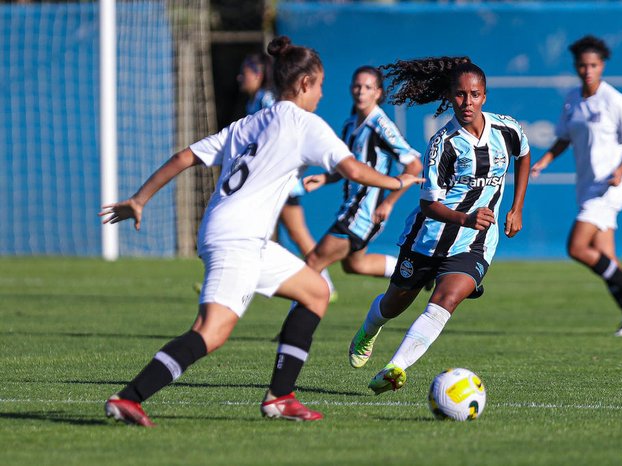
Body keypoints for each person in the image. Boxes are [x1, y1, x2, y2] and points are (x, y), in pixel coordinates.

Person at [99, 35, 423, 426]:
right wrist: (399, 183)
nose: (322, 94)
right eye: (319, 85)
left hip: (239, 234)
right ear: (304, 83)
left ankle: (280, 397)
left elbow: (185, 156)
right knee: (212, 332)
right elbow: (354, 169)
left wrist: (140, 198)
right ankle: (129, 398)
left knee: (316, 291)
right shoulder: (306, 124)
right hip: (237, 238)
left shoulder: (249, 122)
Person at [347, 57, 531, 394]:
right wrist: (465, 217)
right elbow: (428, 204)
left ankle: (394, 368)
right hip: (427, 240)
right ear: (450, 97)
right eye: (460, 95)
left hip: (474, 243)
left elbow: (523, 153)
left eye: (474, 95)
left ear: (485, 96)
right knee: (394, 303)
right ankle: (369, 329)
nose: (467, 102)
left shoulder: (507, 129)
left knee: (446, 299)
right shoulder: (443, 143)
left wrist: (516, 208)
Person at [530, 35, 622, 337]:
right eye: (582, 65)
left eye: (593, 65)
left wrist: (621, 170)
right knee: (606, 257)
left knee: (577, 247)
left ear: (602, 66)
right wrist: (544, 161)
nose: (588, 71)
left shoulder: (614, 100)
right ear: (576, 67)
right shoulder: (572, 99)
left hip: (609, 186)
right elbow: (564, 138)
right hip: (586, 186)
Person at [303, 66, 422, 282]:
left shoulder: (380, 125)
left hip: (364, 213)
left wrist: (389, 203)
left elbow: (414, 165)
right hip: (351, 205)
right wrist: (325, 178)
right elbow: (348, 168)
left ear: (377, 93)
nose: (361, 91)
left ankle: (305, 309)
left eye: (368, 87)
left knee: (313, 262)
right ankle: (419, 271)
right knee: (355, 264)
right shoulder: (350, 125)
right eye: (357, 86)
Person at [239, 52, 337, 299]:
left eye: (246, 72)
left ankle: (325, 285)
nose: (241, 77)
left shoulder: (268, 101)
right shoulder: (254, 101)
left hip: (279, 181)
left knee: (297, 234)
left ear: (260, 74)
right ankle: (242, 281)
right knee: (286, 233)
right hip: (269, 181)